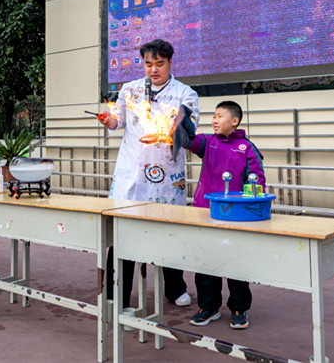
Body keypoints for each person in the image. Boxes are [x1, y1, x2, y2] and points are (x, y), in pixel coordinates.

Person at [99, 39, 199, 308]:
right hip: (132, 173)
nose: (153, 69)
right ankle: (116, 292)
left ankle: (174, 288)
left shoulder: (185, 93)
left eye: (159, 64)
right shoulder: (129, 89)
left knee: (169, 232)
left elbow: (189, 130)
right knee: (123, 233)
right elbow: (117, 120)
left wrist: (172, 128)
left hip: (167, 177)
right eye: (148, 64)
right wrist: (109, 120)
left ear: (170, 63)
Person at [184, 100, 266, 330]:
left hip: (235, 216)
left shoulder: (247, 148)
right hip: (205, 212)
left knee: (236, 263)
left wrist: (249, 204)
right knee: (206, 262)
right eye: (214, 116)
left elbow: (258, 180)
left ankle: (239, 308)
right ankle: (208, 307)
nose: (214, 120)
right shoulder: (207, 142)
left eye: (220, 116)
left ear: (235, 121)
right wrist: (179, 122)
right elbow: (188, 141)